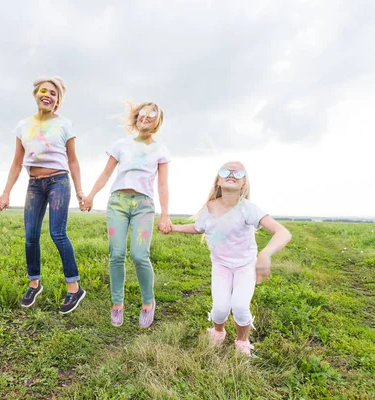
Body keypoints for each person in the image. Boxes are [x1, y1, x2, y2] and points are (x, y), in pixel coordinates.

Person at [169, 161, 292, 355]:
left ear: (244, 183)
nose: (232, 174)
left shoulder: (248, 209)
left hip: (245, 266)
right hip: (221, 265)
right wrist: (174, 228)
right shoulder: (209, 207)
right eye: (225, 171)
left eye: (238, 172)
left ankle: (242, 341)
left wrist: (265, 254)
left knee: (241, 307)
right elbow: (199, 227)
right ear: (218, 180)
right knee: (219, 309)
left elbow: (283, 232)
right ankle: (218, 332)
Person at [0, 77, 86, 314]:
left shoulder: (65, 125)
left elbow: (73, 161)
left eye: (53, 93)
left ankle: (74, 288)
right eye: (43, 91)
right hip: (34, 184)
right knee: (30, 236)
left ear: (58, 101)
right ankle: (34, 283)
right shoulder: (23, 126)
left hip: (59, 181)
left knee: (58, 233)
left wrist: (80, 192)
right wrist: (6, 193)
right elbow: (17, 162)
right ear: (36, 94)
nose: (47, 95)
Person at [81, 102, 171, 328]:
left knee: (140, 255)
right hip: (118, 203)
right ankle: (117, 303)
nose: (146, 117)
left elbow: (162, 185)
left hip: (144, 205)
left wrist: (165, 215)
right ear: (136, 117)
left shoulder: (161, 150)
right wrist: (91, 195)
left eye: (152, 114)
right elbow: (106, 173)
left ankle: (148, 302)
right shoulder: (121, 144)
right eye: (143, 113)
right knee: (117, 253)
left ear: (157, 121)